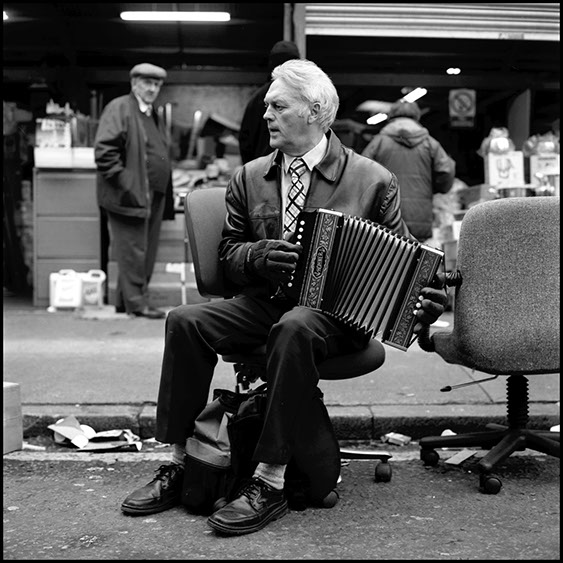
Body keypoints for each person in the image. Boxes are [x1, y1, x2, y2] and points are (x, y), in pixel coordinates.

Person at [120, 59, 448, 535]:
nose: (267, 115)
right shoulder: (250, 176)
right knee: (185, 320)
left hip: (337, 318)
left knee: (295, 325)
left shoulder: (374, 179)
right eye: (268, 106)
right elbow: (227, 255)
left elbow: (406, 267)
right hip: (267, 304)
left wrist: (425, 300)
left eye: (278, 105)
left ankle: (268, 479)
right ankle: (179, 463)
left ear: (315, 111)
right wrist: (254, 257)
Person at [94, 62, 175, 319]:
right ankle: (138, 304)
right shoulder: (120, 108)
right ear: (134, 84)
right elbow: (105, 152)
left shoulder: (152, 113)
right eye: (147, 83)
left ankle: (124, 301)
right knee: (134, 251)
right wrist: (126, 184)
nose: (152, 88)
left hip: (152, 194)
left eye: (157, 84)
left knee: (142, 249)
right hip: (130, 194)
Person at [361, 101, 456, 243]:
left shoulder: (378, 143)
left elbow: (361, 174)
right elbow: (446, 172)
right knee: (416, 262)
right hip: (420, 219)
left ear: (391, 117)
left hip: (386, 219)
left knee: (387, 262)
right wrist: (432, 187)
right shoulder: (430, 144)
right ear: (417, 117)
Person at [238, 40, 301, 164]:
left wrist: (251, 169)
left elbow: (245, 140)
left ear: (271, 63)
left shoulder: (257, 98)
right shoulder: (303, 96)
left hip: (262, 170)